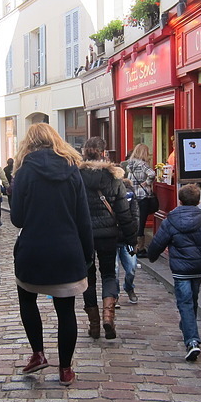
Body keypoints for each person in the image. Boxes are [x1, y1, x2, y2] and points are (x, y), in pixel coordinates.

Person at [10, 123, 94, 386]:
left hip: (33, 250)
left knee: (27, 299)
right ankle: (65, 369)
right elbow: (83, 217)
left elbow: (17, 218)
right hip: (66, 251)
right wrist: (87, 254)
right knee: (65, 311)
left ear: (28, 143)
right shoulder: (71, 169)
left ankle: (38, 353)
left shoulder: (24, 171)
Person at [146, 183, 201, 362]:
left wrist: (151, 256)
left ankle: (192, 340)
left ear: (180, 200)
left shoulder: (172, 219)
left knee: (186, 303)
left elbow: (158, 242)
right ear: (198, 201)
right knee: (191, 301)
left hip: (181, 269)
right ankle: (188, 328)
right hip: (198, 269)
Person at [78, 137, 137, 340]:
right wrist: (131, 238)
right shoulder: (114, 178)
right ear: (104, 154)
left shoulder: (76, 177)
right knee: (109, 275)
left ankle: (94, 324)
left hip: (84, 235)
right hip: (108, 235)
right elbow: (124, 212)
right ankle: (108, 318)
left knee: (87, 277)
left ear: (84, 152)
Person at [127, 143, 157, 257]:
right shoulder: (143, 164)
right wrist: (147, 183)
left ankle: (133, 246)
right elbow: (152, 174)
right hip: (142, 196)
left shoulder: (130, 165)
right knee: (142, 221)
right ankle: (140, 248)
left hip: (133, 195)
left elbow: (128, 179)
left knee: (135, 220)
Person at [115, 176, 140, 304]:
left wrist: (133, 235)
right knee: (114, 269)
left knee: (131, 267)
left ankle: (129, 287)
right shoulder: (107, 193)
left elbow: (135, 215)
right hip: (112, 238)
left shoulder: (129, 194)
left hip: (127, 239)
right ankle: (114, 295)